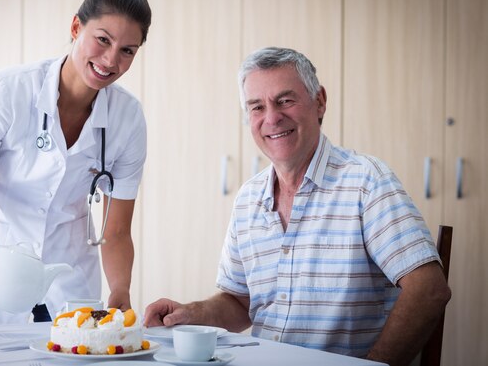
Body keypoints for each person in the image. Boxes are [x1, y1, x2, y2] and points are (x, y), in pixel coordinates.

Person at [144, 47, 451, 366]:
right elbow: (239, 303)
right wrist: (189, 313)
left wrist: (374, 364)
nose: (272, 118)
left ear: (319, 102)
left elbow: (429, 291)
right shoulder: (249, 199)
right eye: (257, 107)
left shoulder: (366, 181)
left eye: (285, 100)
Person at [0, 0, 151, 327]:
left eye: (127, 50)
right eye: (103, 39)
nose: (111, 60)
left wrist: (120, 290)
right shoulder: (8, 92)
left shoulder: (128, 119)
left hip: (68, 290)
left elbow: (116, 231)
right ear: (76, 27)